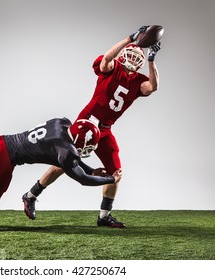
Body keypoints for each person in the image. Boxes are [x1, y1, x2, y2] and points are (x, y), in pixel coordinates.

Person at [22, 26, 161, 228]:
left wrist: (152, 59)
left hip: (105, 129)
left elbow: (153, 86)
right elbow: (106, 59)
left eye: (137, 56)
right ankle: (31, 195)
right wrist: (129, 38)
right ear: (123, 54)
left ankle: (104, 216)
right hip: (87, 121)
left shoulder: (138, 81)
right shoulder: (111, 68)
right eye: (130, 53)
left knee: (116, 171)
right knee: (66, 162)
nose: (133, 58)